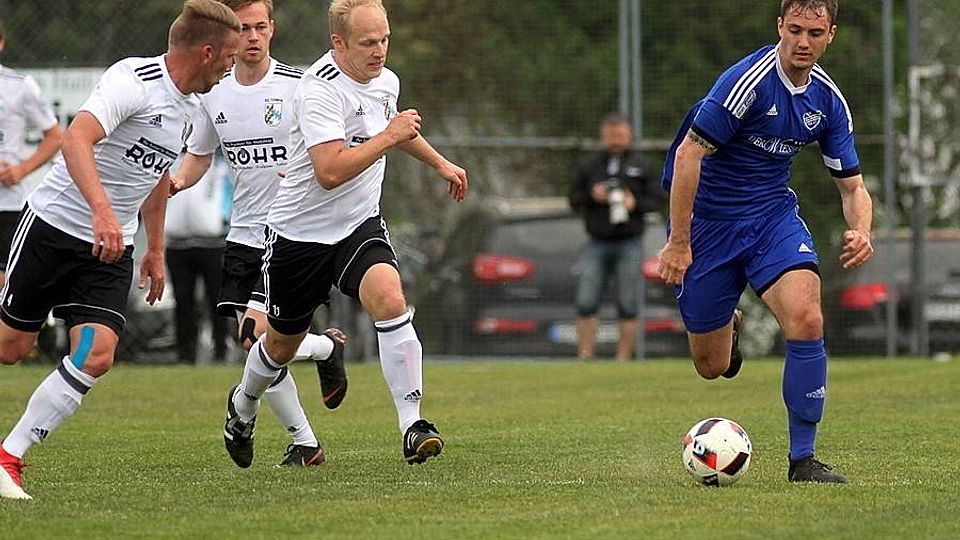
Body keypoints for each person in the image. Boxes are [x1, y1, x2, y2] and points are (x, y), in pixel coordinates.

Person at [0, 0, 240, 500]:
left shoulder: (192, 109)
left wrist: (155, 248)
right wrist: (103, 212)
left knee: (96, 354)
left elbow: (156, 178)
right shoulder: (133, 79)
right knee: (11, 349)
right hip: (53, 230)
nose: (230, 68)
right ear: (206, 52)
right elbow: (76, 140)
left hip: (111, 249)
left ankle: (9, 457)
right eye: (228, 58)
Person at [221, 0, 468, 468]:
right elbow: (330, 171)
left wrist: (441, 164)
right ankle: (243, 405)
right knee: (278, 346)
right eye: (368, 42)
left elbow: (392, 127)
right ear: (339, 42)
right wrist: (390, 137)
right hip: (299, 234)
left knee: (390, 299)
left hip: (358, 224)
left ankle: (413, 425)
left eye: (385, 39)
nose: (380, 51)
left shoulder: (385, 80)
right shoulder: (318, 90)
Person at [658, 0, 874, 484]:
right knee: (711, 366)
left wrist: (862, 229)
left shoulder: (827, 102)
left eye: (814, 33)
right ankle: (727, 327)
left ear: (831, 35)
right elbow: (689, 156)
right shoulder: (746, 84)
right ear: (779, 26)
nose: (802, 42)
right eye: (794, 29)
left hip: (771, 218)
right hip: (709, 225)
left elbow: (853, 188)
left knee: (807, 316)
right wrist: (678, 242)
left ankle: (804, 459)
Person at [170, 0, 347, 469]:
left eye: (260, 27)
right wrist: (176, 181)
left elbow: (332, 146)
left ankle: (249, 414)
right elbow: (199, 154)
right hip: (243, 234)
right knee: (257, 344)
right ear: (230, 34)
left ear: (272, 29)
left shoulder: (300, 86)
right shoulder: (214, 92)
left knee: (256, 335)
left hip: (290, 232)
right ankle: (311, 419)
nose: (252, 36)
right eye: (244, 28)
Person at [569, 113, 661, 361]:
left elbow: (657, 200)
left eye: (620, 135)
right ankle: (585, 356)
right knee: (586, 300)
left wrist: (634, 203)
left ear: (629, 134)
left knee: (628, 302)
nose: (615, 140)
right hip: (596, 242)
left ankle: (623, 358)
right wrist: (592, 195)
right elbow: (573, 199)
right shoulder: (590, 166)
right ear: (603, 135)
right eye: (611, 135)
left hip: (629, 242)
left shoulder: (643, 166)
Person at [0, 19, 64, 289]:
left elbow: (55, 136)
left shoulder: (19, 85)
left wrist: (21, 169)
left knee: (5, 282)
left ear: (1, 44)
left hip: (6, 203)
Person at [165, 155, 230, 364]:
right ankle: (185, 354)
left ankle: (221, 351)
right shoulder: (170, 161)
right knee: (182, 300)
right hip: (177, 243)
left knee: (217, 300)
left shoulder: (219, 164)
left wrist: (224, 222)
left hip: (213, 244)